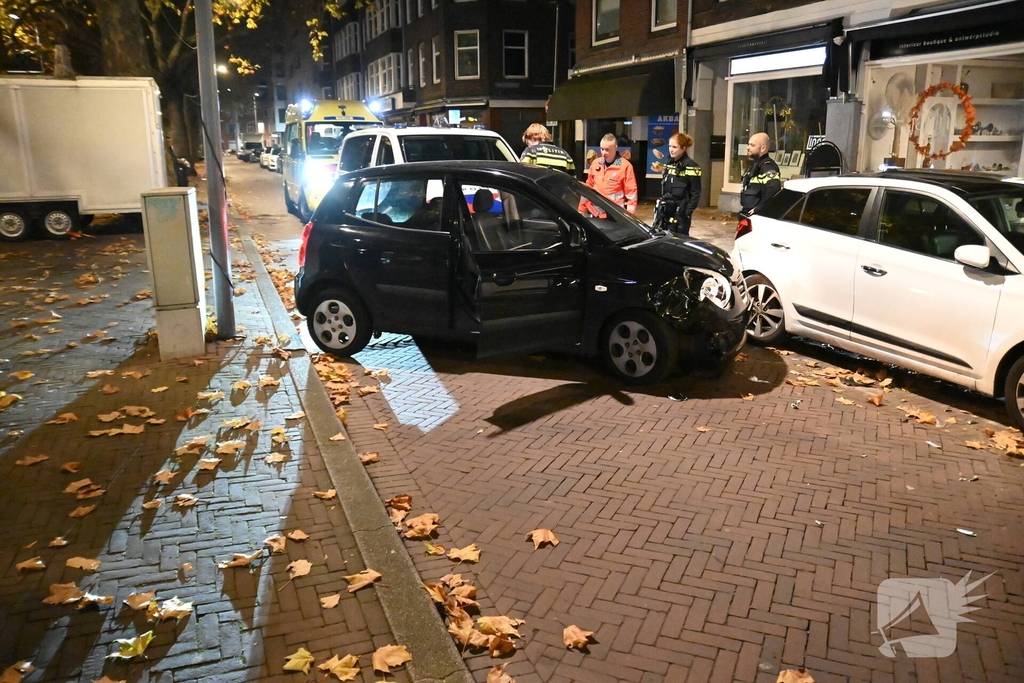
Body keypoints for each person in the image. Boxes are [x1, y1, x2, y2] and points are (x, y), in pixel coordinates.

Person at [655, 133, 701, 235]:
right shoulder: (669, 163)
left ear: (684, 148)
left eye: (675, 147)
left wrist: (687, 213)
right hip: (665, 210)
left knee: (679, 240)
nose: (671, 149)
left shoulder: (691, 166)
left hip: (680, 211)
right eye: (670, 146)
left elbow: (696, 192)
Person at [586, 134, 638, 215]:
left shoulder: (625, 166)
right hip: (595, 212)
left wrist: (630, 215)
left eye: (607, 150)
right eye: (602, 149)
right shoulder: (596, 163)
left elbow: (631, 194)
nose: (604, 153)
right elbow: (588, 187)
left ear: (616, 148)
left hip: (615, 213)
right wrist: (582, 209)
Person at [740, 132, 781, 216]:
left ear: (763, 148)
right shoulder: (755, 165)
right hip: (748, 214)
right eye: (748, 144)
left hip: (759, 216)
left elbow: (774, 188)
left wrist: (758, 208)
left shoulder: (767, 166)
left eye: (752, 145)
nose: (748, 148)